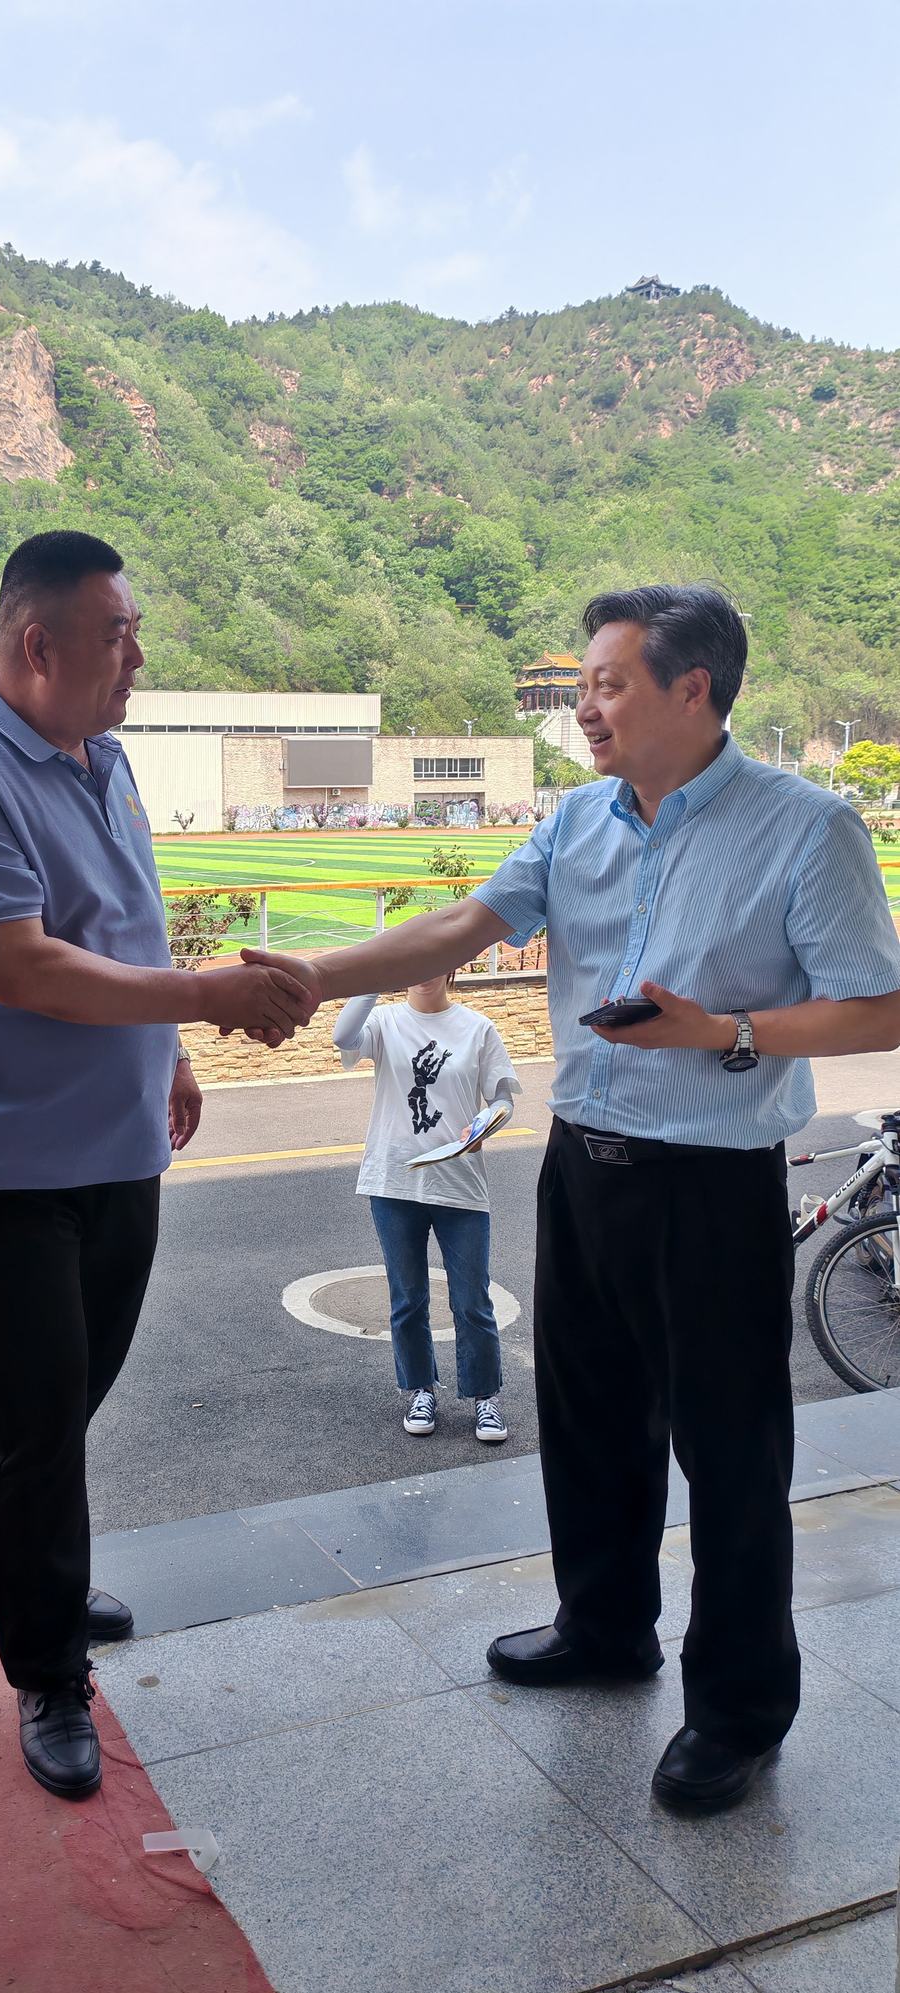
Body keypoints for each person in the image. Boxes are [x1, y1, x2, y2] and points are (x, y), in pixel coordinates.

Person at [246, 583, 900, 1814]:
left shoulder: (805, 827)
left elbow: (880, 1003)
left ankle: (738, 1710)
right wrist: (314, 971)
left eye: (608, 684)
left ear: (692, 688)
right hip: (583, 1165)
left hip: (709, 1182)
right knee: (592, 1417)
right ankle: (604, 1626)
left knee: (731, 1452)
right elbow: (464, 923)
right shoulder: (579, 819)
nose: (586, 708)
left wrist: (724, 1031)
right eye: (584, 686)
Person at [0, 530, 315, 1801]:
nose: (137, 656)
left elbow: (125, 920)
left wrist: (170, 1044)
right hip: (6, 1160)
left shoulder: (106, 757)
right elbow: (21, 965)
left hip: (119, 1141)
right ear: (39, 644)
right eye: (118, 634)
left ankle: (11, 1563)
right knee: (38, 1418)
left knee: (67, 1398)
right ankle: (46, 1665)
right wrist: (211, 995)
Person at [333, 970, 518, 1443]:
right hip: (393, 1181)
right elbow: (343, 1037)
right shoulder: (386, 1021)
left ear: (450, 966)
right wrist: (378, 971)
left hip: (459, 1181)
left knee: (472, 1299)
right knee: (407, 1298)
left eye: (431, 960)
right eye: (412, 961)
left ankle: (485, 1396)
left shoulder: (477, 1028)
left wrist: (487, 1122)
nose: (421, 971)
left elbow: (502, 1097)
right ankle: (420, 1389)